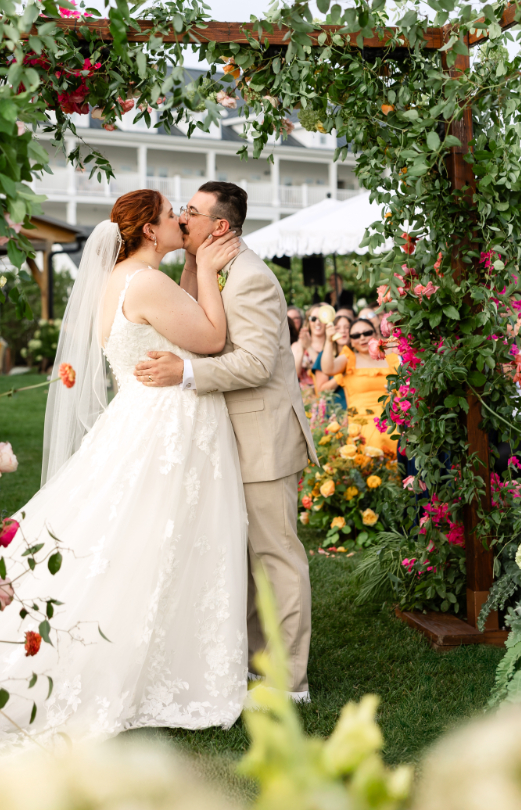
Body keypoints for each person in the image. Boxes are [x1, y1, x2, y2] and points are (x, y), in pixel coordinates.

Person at [0, 190, 248, 751]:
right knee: (155, 539)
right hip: (167, 425)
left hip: (137, 412)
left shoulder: (120, 280)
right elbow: (210, 338)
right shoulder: (146, 280)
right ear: (150, 232)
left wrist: (191, 267)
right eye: (170, 216)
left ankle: (165, 652)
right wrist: (206, 266)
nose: (181, 219)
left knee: (133, 537)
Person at [133, 182, 318, 703]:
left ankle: (291, 683)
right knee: (241, 559)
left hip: (263, 437)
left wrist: (185, 373)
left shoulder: (252, 278)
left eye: (191, 212)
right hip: (224, 438)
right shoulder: (208, 269)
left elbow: (258, 363)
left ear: (220, 226)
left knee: (275, 558)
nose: (183, 218)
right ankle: (259, 663)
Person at [319, 317, 400, 456]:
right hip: (362, 421)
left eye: (367, 333)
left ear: (375, 334)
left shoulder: (390, 355)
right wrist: (328, 340)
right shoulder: (349, 358)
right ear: (350, 340)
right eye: (356, 335)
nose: (362, 338)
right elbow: (328, 368)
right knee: (373, 439)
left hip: (393, 417)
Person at [312, 313, 350, 408]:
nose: (343, 331)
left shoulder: (359, 356)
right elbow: (321, 392)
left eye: (347, 327)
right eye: (337, 328)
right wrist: (341, 375)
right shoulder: (323, 356)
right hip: (334, 412)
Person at [292, 308, 328, 388]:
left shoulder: (332, 345)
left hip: (326, 395)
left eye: (321, 319)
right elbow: (293, 374)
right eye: (313, 319)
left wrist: (309, 347)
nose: (318, 322)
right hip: (303, 396)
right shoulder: (296, 345)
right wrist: (302, 346)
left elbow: (326, 371)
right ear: (308, 321)